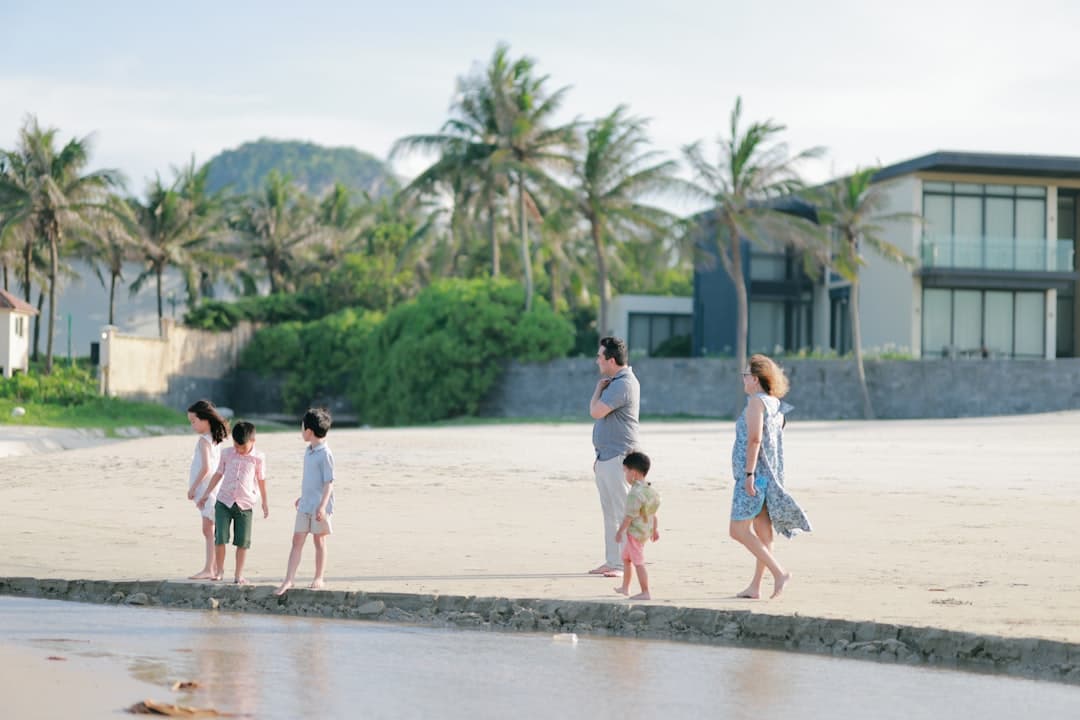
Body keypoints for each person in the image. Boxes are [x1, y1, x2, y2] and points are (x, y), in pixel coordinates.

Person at [729, 354, 811, 600]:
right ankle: (755, 587)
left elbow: (755, 440)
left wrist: (749, 474)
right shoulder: (775, 404)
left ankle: (779, 572)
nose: (743, 379)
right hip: (770, 476)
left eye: (745, 375)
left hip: (756, 477)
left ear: (755, 379)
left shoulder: (756, 403)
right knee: (763, 533)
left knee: (737, 530)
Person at [588, 336, 640, 577]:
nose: (597, 360)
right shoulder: (617, 381)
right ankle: (612, 561)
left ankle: (623, 564)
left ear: (610, 360)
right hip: (606, 457)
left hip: (619, 457)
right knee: (610, 512)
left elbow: (596, 411)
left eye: (600, 357)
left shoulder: (623, 384)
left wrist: (598, 389)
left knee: (622, 512)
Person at [197, 421, 268, 585]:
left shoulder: (258, 458)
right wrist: (206, 494)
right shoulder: (227, 453)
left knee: (243, 542)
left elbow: (261, 480)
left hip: (245, 504)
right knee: (220, 537)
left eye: (242, 447)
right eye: (236, 445)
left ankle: (238, 575)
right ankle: (219, 571)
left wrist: (264, 502)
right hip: (223, 501)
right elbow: (218, 474)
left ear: (253, 441)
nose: (238, 449)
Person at [274, 408, 336, 595]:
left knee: (319, 541)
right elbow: (311, 480)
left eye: (302, 428)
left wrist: (322, 506)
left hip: (319, 507)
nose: (301, 431)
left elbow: (329, 483)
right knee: (297, 540)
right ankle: (289, 579)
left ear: (309, 431)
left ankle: (319, 577)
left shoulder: (325, 454)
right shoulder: (308, 451)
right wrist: (303, 497)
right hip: (306, 504)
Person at [185, 399, 229, 580]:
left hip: (207, 490)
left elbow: (207, 468)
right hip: (213, 489)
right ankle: (213, 568)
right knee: (210, 529)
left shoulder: (204, 440)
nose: (192, 425)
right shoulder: (214, 438)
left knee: (209, 529)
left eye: (194, 421)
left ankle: (211, 569)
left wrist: (194, 488)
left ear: (205, 420)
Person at [613, 451, 660, 600]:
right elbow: (652, 512)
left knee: (638, 562)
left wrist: (620, 531)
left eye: (625, 471)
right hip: (645, 530)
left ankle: (645, 591)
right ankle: (625, 588)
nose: (625, 475)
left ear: (633, 473)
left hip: (635, 533)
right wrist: (655, 529)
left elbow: (629, 516)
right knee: (626, 558)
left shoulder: (635, 493)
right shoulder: (650, 490)